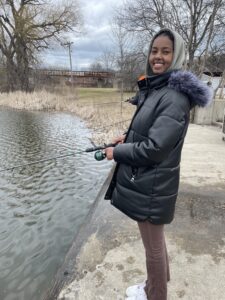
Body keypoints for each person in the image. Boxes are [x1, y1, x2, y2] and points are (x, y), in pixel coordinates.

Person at [104, 28, 212, 300]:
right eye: (154, 51)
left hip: (153, 187)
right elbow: (150, 132)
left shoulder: (174, 97)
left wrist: (116, 153)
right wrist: (125, 140)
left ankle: (155, 294)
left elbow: (154, 149)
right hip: (150, 184)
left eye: (165, 51)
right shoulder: (158, 88)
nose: (158, 57)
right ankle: (153, 286)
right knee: (156, 244)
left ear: (176, 56)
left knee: (152, 249)